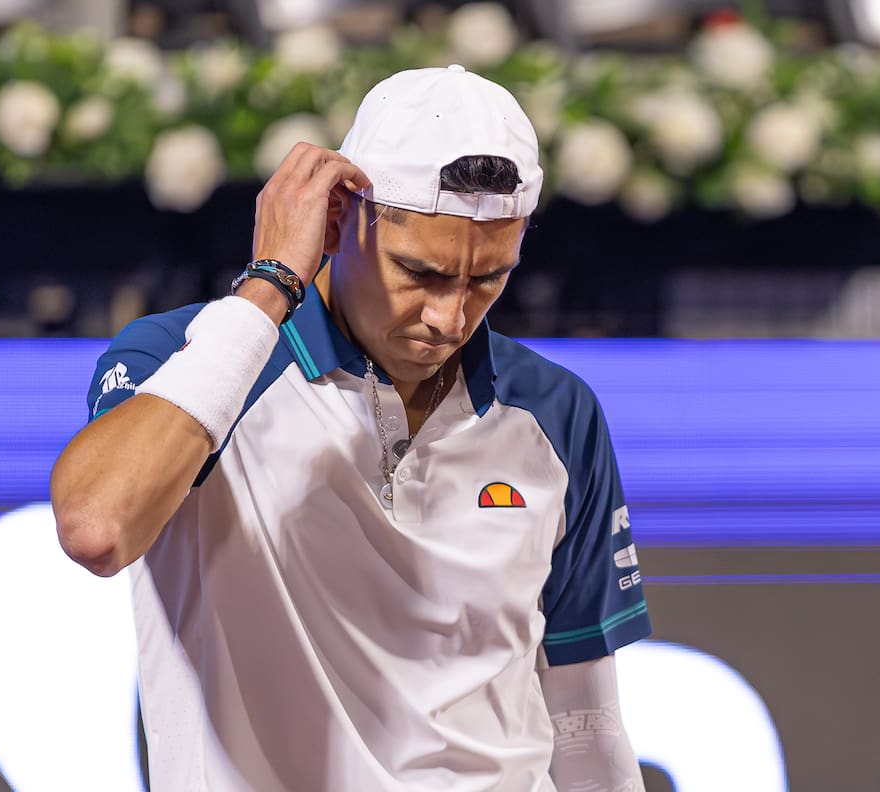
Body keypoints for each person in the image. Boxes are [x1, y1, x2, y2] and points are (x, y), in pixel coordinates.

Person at [51, 64, 651, 792]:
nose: (449, 317)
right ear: (337, 217)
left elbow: (586, 722)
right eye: (420, 272)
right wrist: (268, 283)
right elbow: (98, 527)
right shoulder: (186, 358)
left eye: (488, 278)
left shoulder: (559, 411)